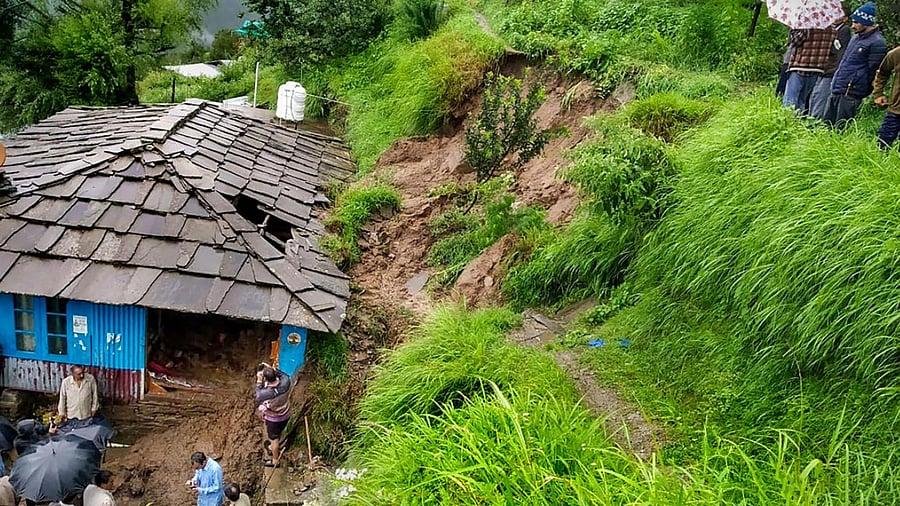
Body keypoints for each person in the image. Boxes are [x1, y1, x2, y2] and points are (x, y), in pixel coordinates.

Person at [821, 2, 887, 128]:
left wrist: (863, 88)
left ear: (867, 22)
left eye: (856, 22)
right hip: (838, 87)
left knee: (841, 128)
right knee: (826, 126)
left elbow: (874, 70)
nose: (852, 26)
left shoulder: (877, 43)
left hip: (852, 91)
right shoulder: (855, 38)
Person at [782, 27, 835, 114]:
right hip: (817, 68)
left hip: (800, 66)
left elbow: (796, 41)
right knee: (803, 99)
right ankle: (798, 121)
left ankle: (787, 121)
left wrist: (794, 29)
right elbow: (833, 50)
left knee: (790, 99)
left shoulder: (806, 27)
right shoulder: (832, 30)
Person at [809, 14, 852, 118]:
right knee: (815, 95)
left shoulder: (844, 31)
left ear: (845, 18)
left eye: (839, 16)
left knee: (821, 97)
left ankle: (815, 122)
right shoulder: (831, 29)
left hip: (831, 70)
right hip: (823, 68)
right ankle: (810, 118)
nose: (835, 17)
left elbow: (839, 52)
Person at [255, 364, 291, 468]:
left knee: (273, 438)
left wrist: (258, 381)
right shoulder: (286, 382)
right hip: (286, 413)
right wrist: (273, 369)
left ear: (265, 379)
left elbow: (258, 395)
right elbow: (283, 375)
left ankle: (275, 460)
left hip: (274, 419)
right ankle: (273, 445)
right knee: (278, 432)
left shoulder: (266, 393)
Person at [872, 46, 900, 148]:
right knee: (882, 146)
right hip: (896, 110)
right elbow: (882, 73)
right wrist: (878, 94)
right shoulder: (897, 53)